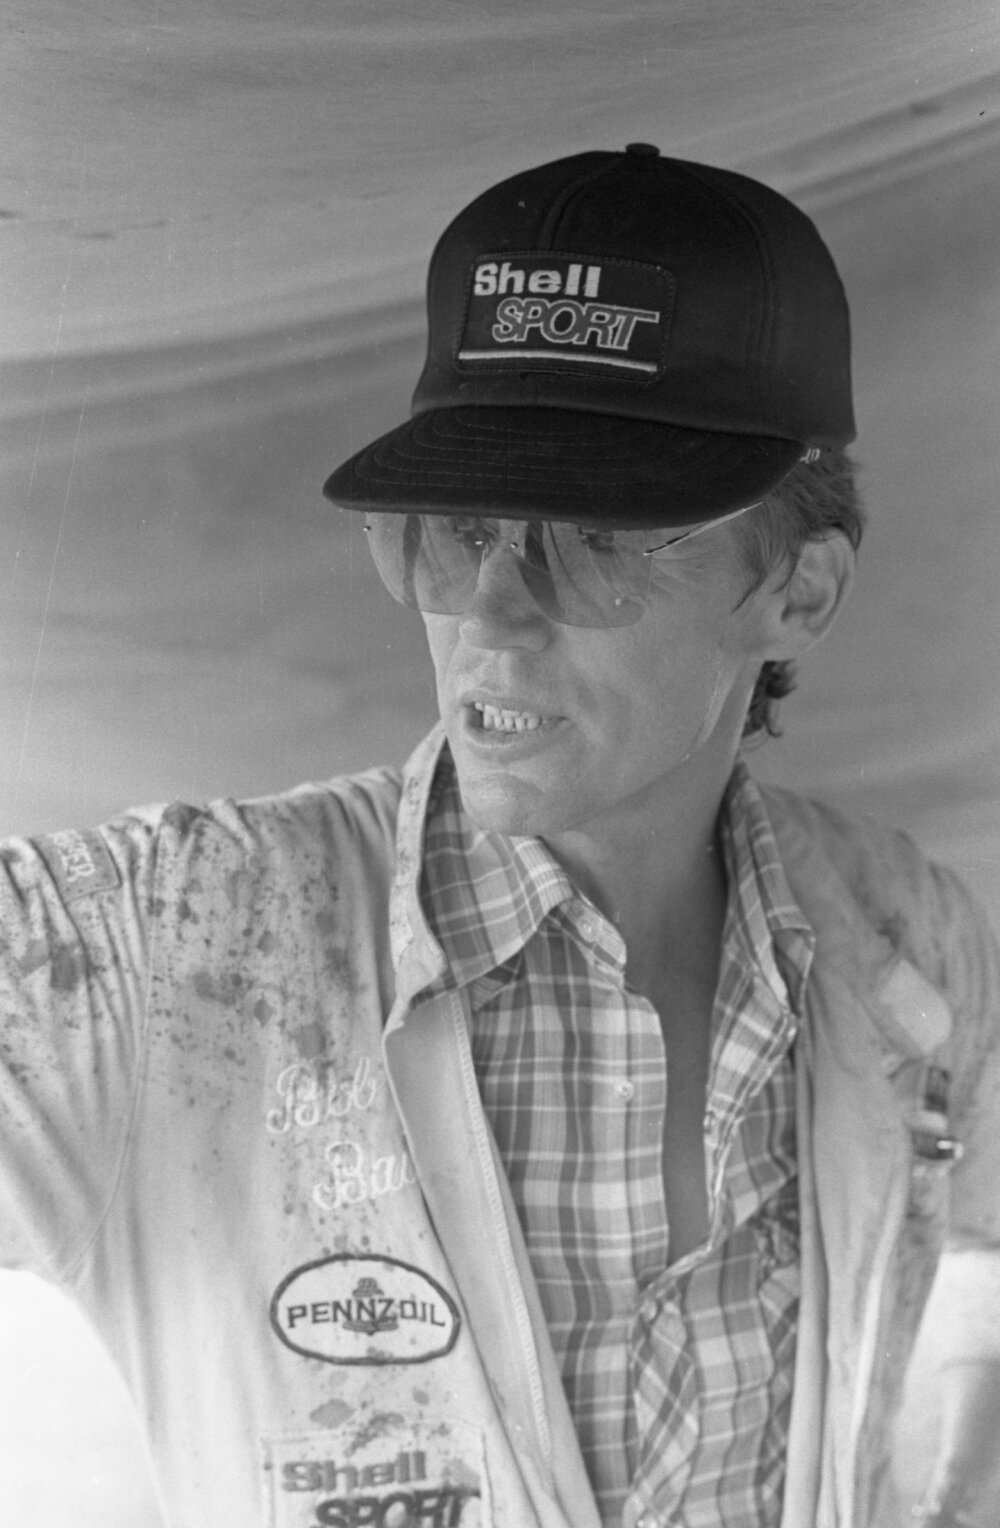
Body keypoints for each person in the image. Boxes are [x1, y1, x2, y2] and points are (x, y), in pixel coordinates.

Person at [1, 144, 998, 1528]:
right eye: (456, 527)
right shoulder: (164, 949)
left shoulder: (908, 941)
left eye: (598, 539)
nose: (490, 613)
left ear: (797, 591)